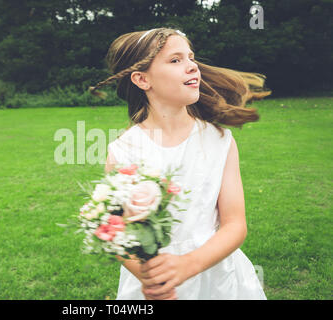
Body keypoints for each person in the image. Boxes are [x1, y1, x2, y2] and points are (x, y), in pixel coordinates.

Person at [89, 27, 271, 300]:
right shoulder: (124, 151)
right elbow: (114, 229)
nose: (192, 66)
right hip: (157, 285)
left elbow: (235, 224)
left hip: (216, 275)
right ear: (142, 79)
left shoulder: (219, 141)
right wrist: (150, 276)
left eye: (191, 57)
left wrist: (189, 264)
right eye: (176, 60)